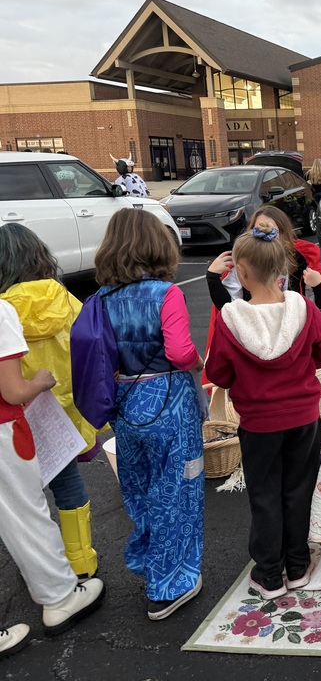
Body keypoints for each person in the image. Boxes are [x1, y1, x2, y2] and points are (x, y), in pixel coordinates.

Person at [205, 220, 321, 599]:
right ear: (283, 268)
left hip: (259, 423)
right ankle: (298, 566)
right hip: (303, 418)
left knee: (264, 495)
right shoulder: (304, 311)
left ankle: (269, 575)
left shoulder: (231, 321)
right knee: (299, 490)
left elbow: (217, 371)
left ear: (242, 272)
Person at [93, 208, 205, 621]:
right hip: (168, 402)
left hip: (124, 404)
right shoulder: (166, 293)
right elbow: (178, 352)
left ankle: (149, 560)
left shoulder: (101, 299)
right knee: (179, 490)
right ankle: (169, 582)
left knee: (140, 490)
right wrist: (196, 363)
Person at [0, 297, 105, 647]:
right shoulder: (9, 311)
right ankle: (61, 594)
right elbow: (13, 390)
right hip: (10, 430)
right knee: (28, 515)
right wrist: (40, 382)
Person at [0, 223, 100, 579]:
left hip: (17, 417)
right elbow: (89, 347)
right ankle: (81, 560)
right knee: (68, 484)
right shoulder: (64, 298)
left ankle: (41, 567)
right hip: (65, 410)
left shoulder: (3, 309)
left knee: (24, 498)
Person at [204, 205, 321, 427]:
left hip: (258, 416)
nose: (265, 235)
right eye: (259, 230)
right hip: (301, 409)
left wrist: (320, 285)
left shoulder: (303, 260)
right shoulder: (303, 306)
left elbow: (219, 369)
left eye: (270, 230)